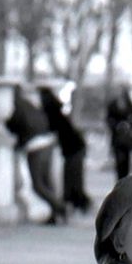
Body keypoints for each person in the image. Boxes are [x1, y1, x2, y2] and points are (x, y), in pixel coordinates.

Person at [4, 84, 66, 224]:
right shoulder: (29, 105)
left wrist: (18, 144)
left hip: (35, 146)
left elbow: (15, 126)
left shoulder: (15, 108)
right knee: (46, 182)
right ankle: (55, 213)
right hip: (47, 143)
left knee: (37, 185)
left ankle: (60, 207)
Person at [40, 83, 93, 215]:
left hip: (73, 149)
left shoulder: (51, 112)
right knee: (74, 178)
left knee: (72, 178)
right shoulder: (57, 110)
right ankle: (79, 204)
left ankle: (76, 204)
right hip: (75, 147)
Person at [105, 84, 132, 180]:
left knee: (126, 163)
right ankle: (120, 181)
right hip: (117, 138)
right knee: (119, 163)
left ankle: (124, 181)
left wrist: (129, 124)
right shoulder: (113, 104)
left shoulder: (129, 103)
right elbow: (108, 119)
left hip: (126, 139)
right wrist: (116, 125)